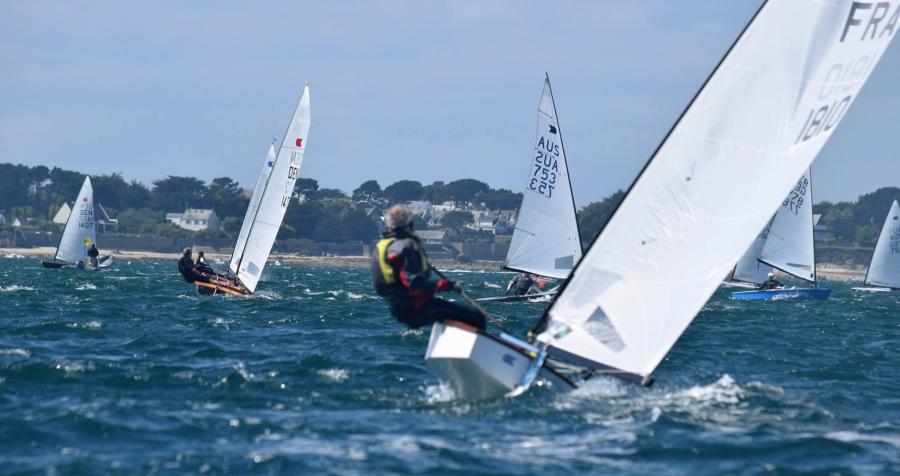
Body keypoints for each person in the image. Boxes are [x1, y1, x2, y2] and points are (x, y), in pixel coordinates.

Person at [372, 205, 486, 330]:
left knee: (450, 316)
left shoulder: (382, 247)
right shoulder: (405, 246)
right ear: (409, 225)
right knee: (477, 318)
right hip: (416, 308)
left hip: (397, 310)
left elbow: (382, 287)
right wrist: (448, 285)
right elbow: (414, 283)